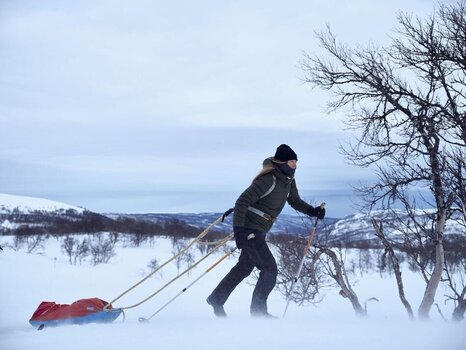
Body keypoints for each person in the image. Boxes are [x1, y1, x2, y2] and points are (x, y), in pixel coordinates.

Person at [206, 144, 325, 318]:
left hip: (260, 230)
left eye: (296, 162)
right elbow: (241, 202)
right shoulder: (268, 179)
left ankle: (216, 298)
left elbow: (294, 200)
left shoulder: (288, 180)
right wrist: (239, 232)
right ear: (283, 162)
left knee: (244, 267)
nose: (295, 165)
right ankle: (259, 313)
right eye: (292, 162)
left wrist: (312, 211)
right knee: (269, 270)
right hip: (249, 229)